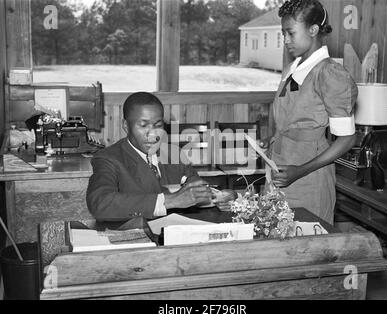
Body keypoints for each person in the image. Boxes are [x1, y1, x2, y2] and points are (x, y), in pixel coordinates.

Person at [261, 0, 358, 224]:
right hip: (281, 171)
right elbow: (295, 120)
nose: (285, 40)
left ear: (313, 30)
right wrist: (274, 139)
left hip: (309, 177)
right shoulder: (293, 67)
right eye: (283, 33)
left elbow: (347, 139)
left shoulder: (331, 74)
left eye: (291, 33)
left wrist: (301, 171)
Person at [87, 92, 232, 221]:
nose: (153, 134)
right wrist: (170, 201)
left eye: (158, 125)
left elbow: (194, 185)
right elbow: (100, 203)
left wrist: (219, 197)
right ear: (126, 126)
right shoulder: (109, 158)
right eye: (143, 126)